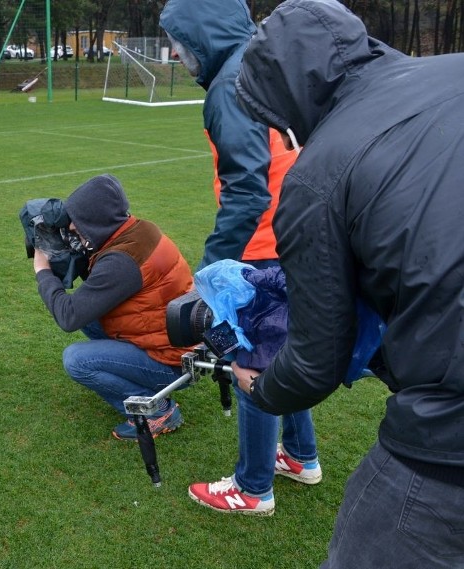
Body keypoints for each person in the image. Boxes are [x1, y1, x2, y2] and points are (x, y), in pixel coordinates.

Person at [233, 0, 464, 565]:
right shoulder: (452, 69)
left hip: (448, 432)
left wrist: (260, 389)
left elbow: (317, 360)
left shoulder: (318, 174)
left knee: (371, 541)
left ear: (286, 97)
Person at [160, 0, 321, 516]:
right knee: (281, 356)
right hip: (296, 236)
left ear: (200, 34)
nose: (174, 52)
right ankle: (300, 456)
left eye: (178, 39)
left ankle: (253, 489)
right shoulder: (262, 66)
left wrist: (212, 271)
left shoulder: (232, 84)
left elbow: (247, 192)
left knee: (249, 362)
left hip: (265, 249)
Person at [31, 174, 195, 441]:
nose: (72, 226)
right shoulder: (139, 230)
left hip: (172, 362)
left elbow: (68, 316)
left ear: (96, 220)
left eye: (78, 220)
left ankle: (156, 412)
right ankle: (147, 388)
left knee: (77, 360)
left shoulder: (122, 261)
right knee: (89, 313)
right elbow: (95, 288)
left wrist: (43, 270)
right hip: (175, 340)